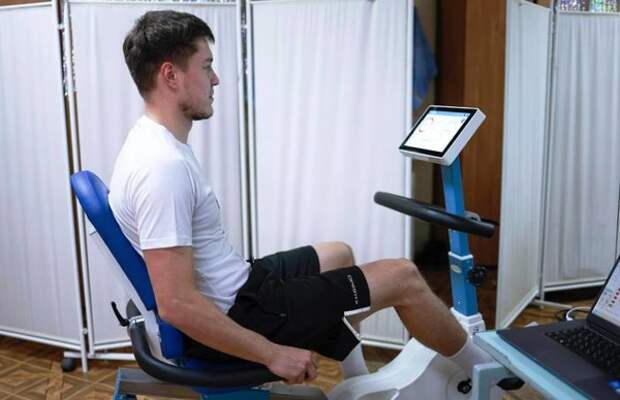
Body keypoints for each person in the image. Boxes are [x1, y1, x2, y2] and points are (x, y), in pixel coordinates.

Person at [109, 10, 491, 385]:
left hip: (241, 284)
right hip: (242, 312)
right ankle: (490, 374)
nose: (216, 79)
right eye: (206, 66)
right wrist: (272, 353)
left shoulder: (153, 142)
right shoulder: (162, 167)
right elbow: (176, 304)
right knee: (403, 276)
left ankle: (357, 384)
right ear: (170, 75)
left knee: (338, 253)